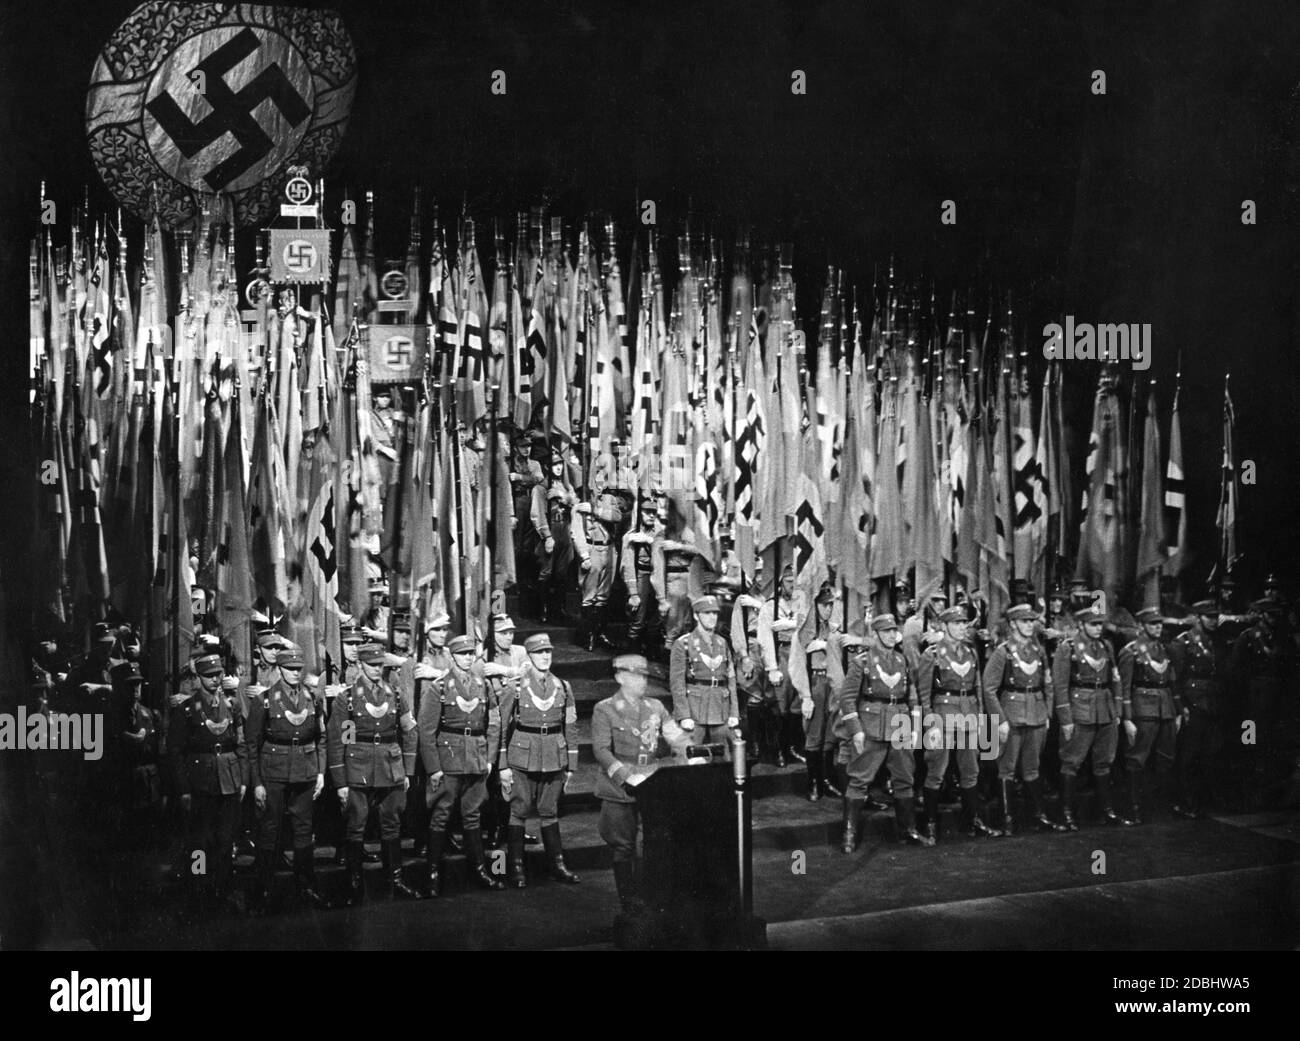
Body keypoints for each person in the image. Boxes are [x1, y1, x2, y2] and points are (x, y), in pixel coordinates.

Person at [592, 653, 692, 913]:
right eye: (635, 675)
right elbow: (602, 751)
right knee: (623, 846)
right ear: (619, 677)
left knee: (653, 843)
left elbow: (675, 737)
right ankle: (629, 902)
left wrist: (694, 752)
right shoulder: (605, 708)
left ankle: (653, 896)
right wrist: (625, 777)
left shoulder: (656, 707)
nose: (642, 681)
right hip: (619, 788)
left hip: (652, 782)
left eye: (644, 675)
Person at [327, 643, 422, 904]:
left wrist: (408, 770)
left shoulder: (397, 695)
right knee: (356, 825)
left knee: (392, 823)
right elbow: (340, 742)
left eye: (381, 665)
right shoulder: (347, 699)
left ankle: (396, 881)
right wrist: (341, 781)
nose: (377, 670)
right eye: (372, 665)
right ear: (359, 666)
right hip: (358, 767)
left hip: (390, 767)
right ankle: (354, 884)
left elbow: (409, 732)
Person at [244, 644, 329, 913]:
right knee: (269, 830)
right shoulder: (265, 700)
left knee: (304, 831)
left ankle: (305, 886)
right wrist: (256, 782)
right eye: (289, 669)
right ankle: (264, 889)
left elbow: (322, 737)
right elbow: (251, 744)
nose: (294, 673)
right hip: (274, 773)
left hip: (304, 771)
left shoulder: (312, 698)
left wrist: (320, 772)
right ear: (279, 669)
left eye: (298, 669)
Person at [419, 634, 505, 896]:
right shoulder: (439, 687)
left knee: (473, 814)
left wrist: (489, 759)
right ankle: (432, 873)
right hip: (450, 759)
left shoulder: (482, 685)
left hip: (477, 758)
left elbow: (493, 723)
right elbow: (426, 731)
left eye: (471, 654)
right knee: (442, 813)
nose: (468, 658)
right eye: (463, 654)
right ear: (453, 656)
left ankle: (479, 869)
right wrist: (434, 768)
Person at [837, 614, 931, 851]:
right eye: (886, 631)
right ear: (876, 634)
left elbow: (911, 696)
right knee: (859, 779)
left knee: (904, 778)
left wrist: (915, 726)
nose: (892, 635)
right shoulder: (862, 662)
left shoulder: (902, 661)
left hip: (900, 724)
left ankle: (907, 830)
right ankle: (849, 834)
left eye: (894, 631)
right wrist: (856, 730)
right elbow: (847, 699)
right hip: (871, 725)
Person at [497, 633, 581, 887]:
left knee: (549, 811)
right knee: (519, 810)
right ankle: (515, 867)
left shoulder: (563, 687)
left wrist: (571, 765)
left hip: (554, 755)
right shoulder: (516, 687)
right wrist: (502, 765)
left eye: (548, 652)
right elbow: (500, 727)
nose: (545, 657)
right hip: (523, 755)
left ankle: (557, 864)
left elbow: (571, 726)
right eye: (539, 653)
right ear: (529, 656)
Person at [165, 653, 248, 910]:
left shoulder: (232, 706)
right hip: (200, 782)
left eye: (218, 675)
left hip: (229, 780)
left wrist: (243, 779)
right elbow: (175, 751)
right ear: (199, 678)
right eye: (209, 676)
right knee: (200, 841)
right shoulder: (186, 709)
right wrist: (184, 789)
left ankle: (222, 888)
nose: (215, 680)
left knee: (225, 839)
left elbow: (241, 745)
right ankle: (198, 887)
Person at [918, 606, 1004, 841]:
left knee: (971, 771)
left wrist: (981, 718)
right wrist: (930, 723)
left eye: (964, 623)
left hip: (969, 716)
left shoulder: (970, 652)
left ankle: (972, 821)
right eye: (956, 623)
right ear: (944, 626)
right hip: (942, 716)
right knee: (936, 770)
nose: (961, 627)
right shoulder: (932, 654)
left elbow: (977, 687)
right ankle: (931, 824)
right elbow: (924, 693)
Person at [1052, 604, 1134, 830]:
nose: (1098, 629)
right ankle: (1067, 813)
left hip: (1105, 708)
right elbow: (1060, 686)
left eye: (1100, 624)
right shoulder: (1067, 648)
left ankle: (1106, 811)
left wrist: (1117, 712)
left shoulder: (1106, 646)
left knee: (1104, 762)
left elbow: (1115, 679)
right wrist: (1066, 719)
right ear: (1081, 625)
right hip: (1080, 708)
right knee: (1072, 762)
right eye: (1093, 624)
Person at [984, 604, 1064, 834]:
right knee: (1007, 768)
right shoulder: (1003, 652)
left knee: (1033, 768)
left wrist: (1048, 713)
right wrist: (999, 720)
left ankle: (1039, 816)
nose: (1030, 625)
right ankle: (1007, 819)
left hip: (1037, 714)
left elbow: (1048, 683)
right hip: (1012, 714)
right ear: (1013, 624)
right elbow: (989, 689)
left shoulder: (1038, 650)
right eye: (1024, 621)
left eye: (1032, 621)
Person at [1118, 607, 1179, 824]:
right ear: (1142, 626)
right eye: (1153, 624)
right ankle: (1133, 808)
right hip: (1142, 708)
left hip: (1165, 708)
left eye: (1160, 623)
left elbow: (1171, 681)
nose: (1158, 627)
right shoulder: (1131, 651)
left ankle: (1157, 807)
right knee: (1137, 759)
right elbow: (1124, 687)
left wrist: (1176, 711)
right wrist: (1126, 718)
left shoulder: (1163, 649)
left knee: (1165, 758)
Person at [1169, 600, 1229, 818]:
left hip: (1213, 702)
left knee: (1210, 752)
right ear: (1197, 618)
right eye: (1208, 617)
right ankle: (1185, 801)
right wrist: (1180, 706)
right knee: (1189, 754)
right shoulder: (1183, 643)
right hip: (1192, 703)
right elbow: (1175, 679)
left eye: (1215, 617)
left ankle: (1203, 801)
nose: (1213, 621)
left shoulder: (1217, 641)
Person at [669, 595, 740, 747]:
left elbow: (731, 679)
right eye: (706, 613)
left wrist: (734, 712)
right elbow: (677, 684)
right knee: (691, 758)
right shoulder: (683, 644)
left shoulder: (722, 642)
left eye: (714, 613)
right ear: (696, 616)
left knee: (723, 759)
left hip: (720, 707)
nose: (712, 617)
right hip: (695, 709)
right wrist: (683, 715)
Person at [757, 564, 810, 767]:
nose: (792, 586)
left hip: (800, 653)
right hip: (782, 653)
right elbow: (765, 638)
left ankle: (793, 747)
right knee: (780, 705)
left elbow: (809, 622)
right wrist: (771, 668)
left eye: (795, 582)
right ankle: (777, 749)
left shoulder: (803, 602)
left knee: (798, 703)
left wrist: (792, 623)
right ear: (780, 583)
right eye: (788, 582)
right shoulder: (770, 606)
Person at [796, 585, 842, 800]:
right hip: (815, 680)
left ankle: (826, 779)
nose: (828, 609)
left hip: (831, 681)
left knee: (830, 734)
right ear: (814, 605)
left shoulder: (832, 628)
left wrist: (825, 643)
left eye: (831, 605)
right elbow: (797, 664)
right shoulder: (806, 630)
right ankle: (813, 782)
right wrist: (805, 695)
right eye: (824, 605)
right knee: (814, 734)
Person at [573, 487, 624, 650]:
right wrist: (584, 555)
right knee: (589, 596)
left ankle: (600, 633)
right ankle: (587, 635)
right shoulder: (579, 506)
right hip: (592, 548)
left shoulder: (609, 500)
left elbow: (617, 516)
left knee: (603, 596)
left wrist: (594, 510)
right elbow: (577, 533)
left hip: (609, 550)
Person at [622, 500, 663, 654]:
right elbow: (627, 566)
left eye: (654, 512)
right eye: (647, 512)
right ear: (639, 513)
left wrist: (650, 541)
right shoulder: (630, 536)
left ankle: (651, 649)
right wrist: (633, 592)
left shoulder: (658, 534)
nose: (651, 515)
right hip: (641, 575)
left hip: (656, 576)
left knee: (657, 616)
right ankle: (632, 650)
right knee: (638, 616)